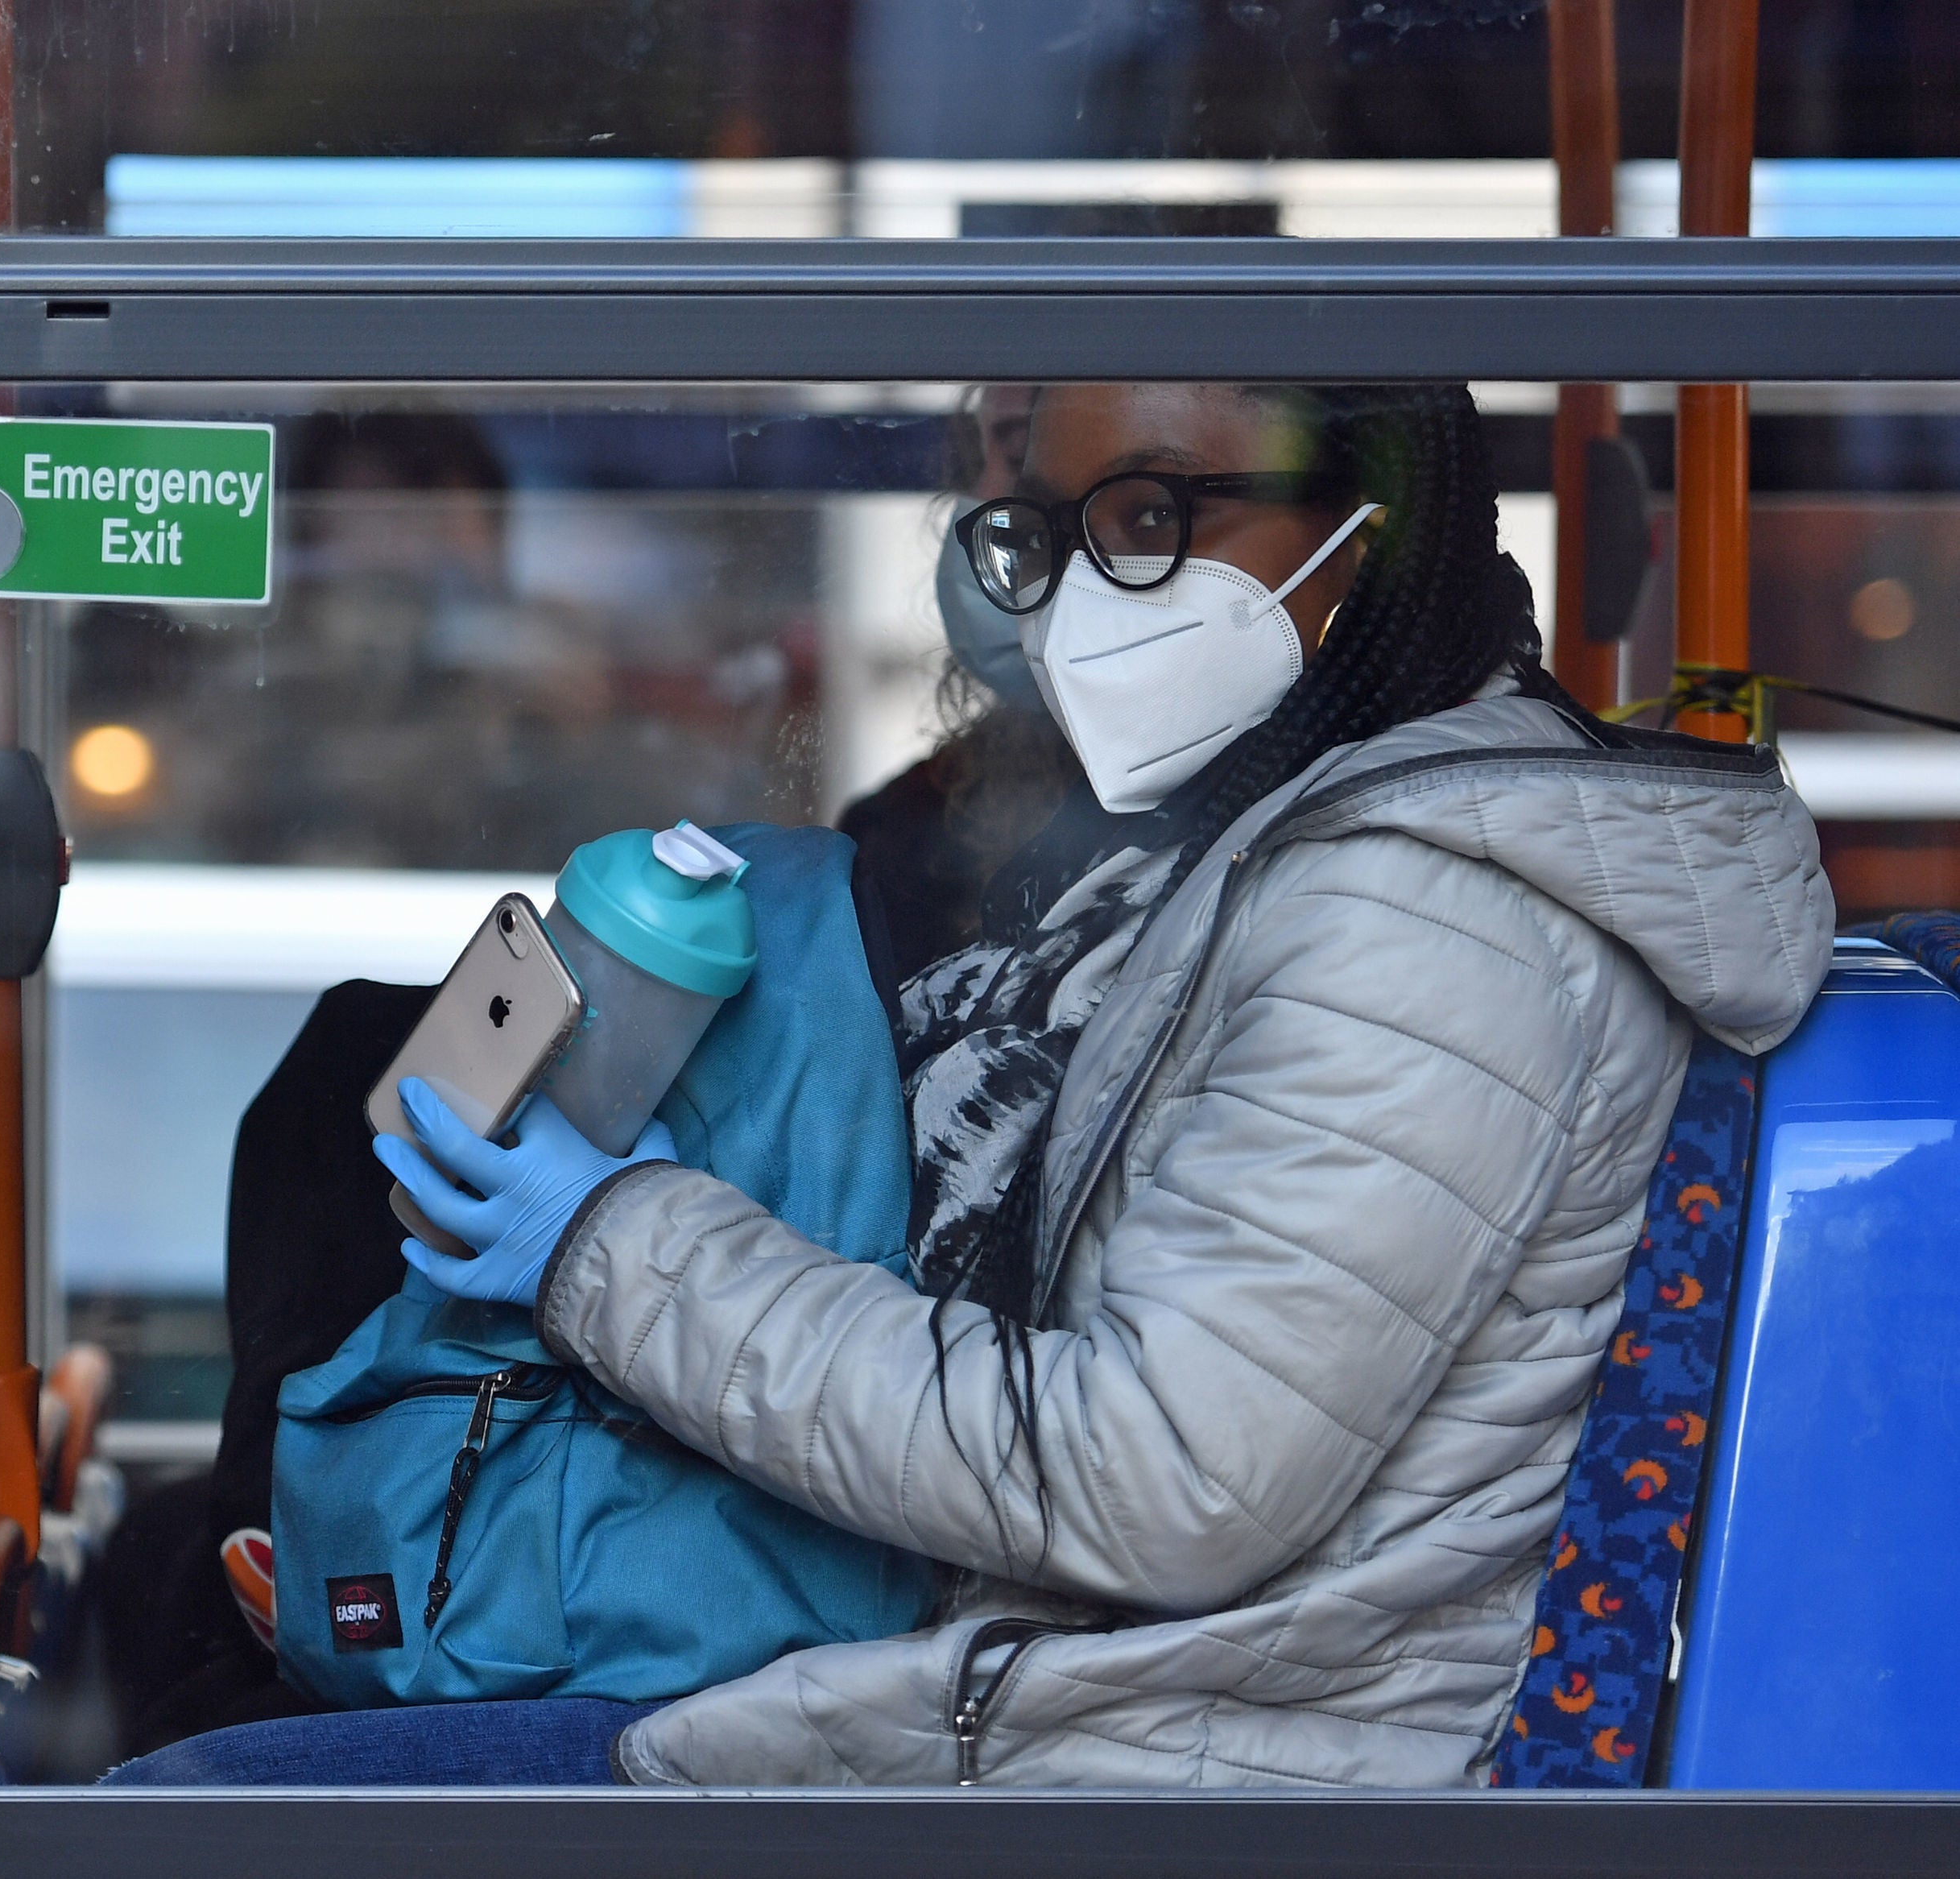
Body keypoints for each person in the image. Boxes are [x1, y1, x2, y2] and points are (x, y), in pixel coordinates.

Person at [111, 382, 1832, 1788]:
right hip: (1077, 1677)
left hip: (1183, 1747)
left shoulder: (1420, 913)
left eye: (1157, 519)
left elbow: (1154, 1476)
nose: (1088, 588)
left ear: (1375, 536)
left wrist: (611, 1239)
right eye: (1046, 530)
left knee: (171, 1818)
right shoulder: (1253, 842)